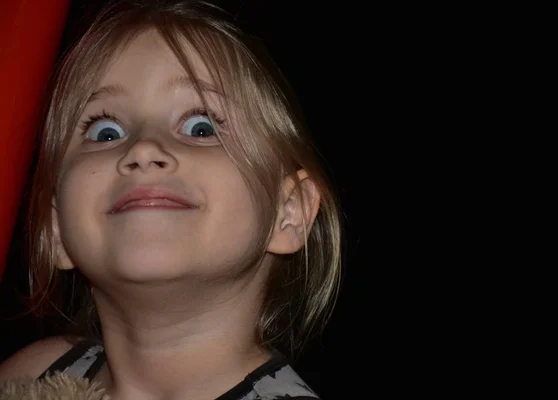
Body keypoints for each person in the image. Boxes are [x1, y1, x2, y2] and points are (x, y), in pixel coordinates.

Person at [0, 1, 342, 399]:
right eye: (106, 132)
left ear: (289, 214)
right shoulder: (31, 375)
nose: (143, 148)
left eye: (201, 126)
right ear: (55, 228)